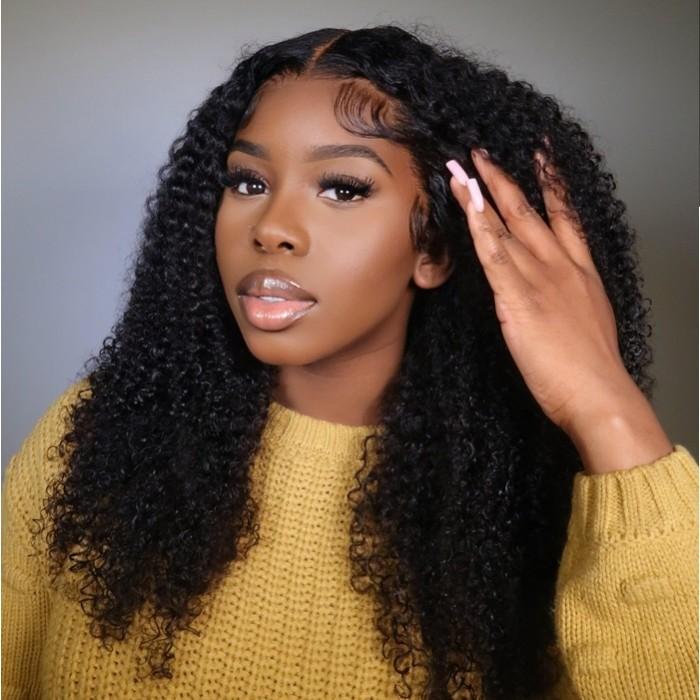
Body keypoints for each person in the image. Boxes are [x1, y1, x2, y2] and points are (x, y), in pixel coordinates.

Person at [2, 24, 697, 700]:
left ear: (436, 249)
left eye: (342, 188)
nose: (271, 228)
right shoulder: (100, 433)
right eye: (247, 182)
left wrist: (604, 405)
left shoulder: (533, 503)